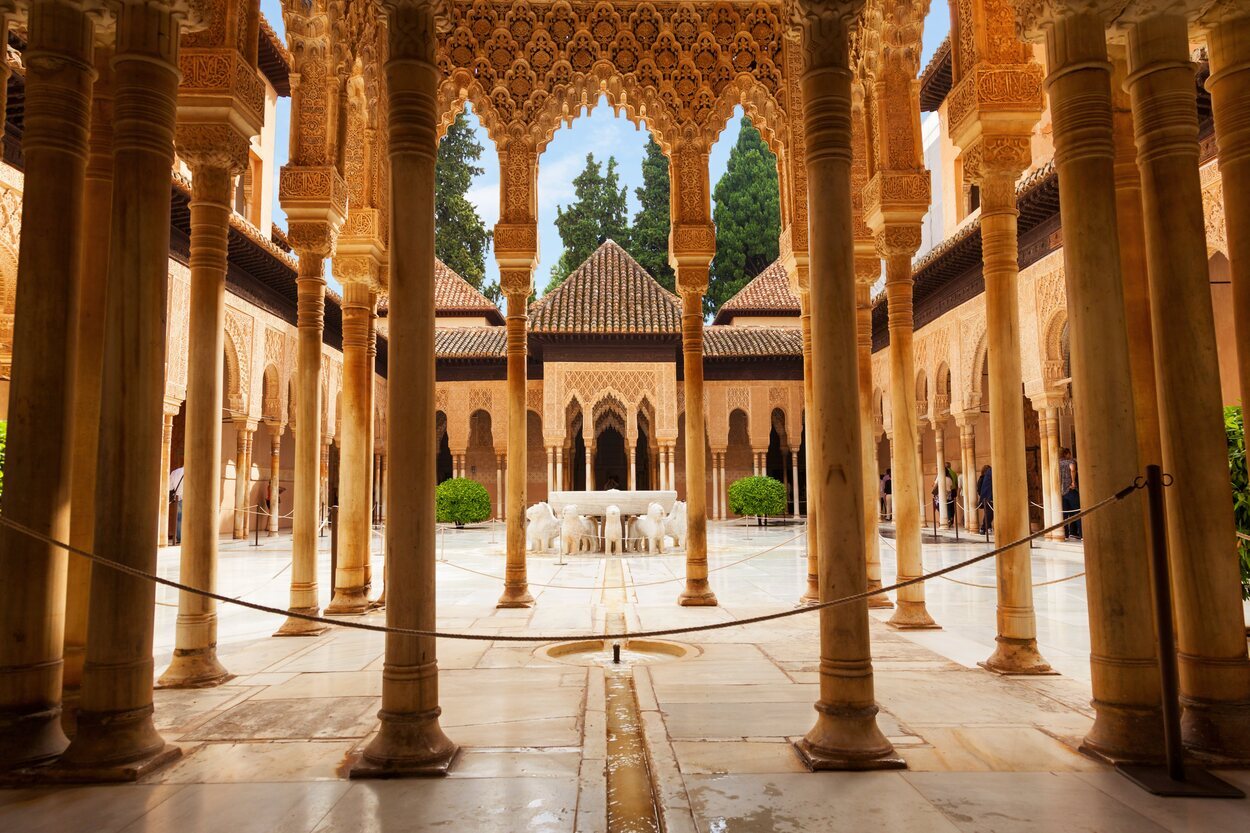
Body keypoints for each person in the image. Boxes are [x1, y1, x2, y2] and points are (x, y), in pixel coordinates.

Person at [1059, 447, 1081, 540]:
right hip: (1070, 489)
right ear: (1067, 453)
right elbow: (1072, 469)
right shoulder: (1070, 461)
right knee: (1077, 511)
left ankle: (1067, 533)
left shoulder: (1058, 463)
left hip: (1061, 491)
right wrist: (1073, 481)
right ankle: (1081, 533)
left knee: (1065, 513)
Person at [169, 465, 185, 545]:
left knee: (178, 519)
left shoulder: (174, 472)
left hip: (178, 498)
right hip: (188, 498)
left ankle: (179, 538)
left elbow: (169, 486)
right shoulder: (192, 471)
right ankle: (187, 537)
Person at [977, 464, 994, 535]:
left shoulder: (987, 476)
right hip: (988, 498)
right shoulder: (988, 475)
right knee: (989, 514)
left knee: (988, 514)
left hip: (986, 498)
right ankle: (983, 528)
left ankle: (985, 528)